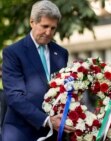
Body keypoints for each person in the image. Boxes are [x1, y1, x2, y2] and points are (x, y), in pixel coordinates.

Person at [1, 1, 75, 141]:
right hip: (21, 133)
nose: (49, 33)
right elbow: (15, 97)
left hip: (54, 133)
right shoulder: (13, 52)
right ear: (32, 22)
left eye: (53, 28)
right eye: (45, 26)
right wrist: (47, 120)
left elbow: (64, 91)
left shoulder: (61, 53)